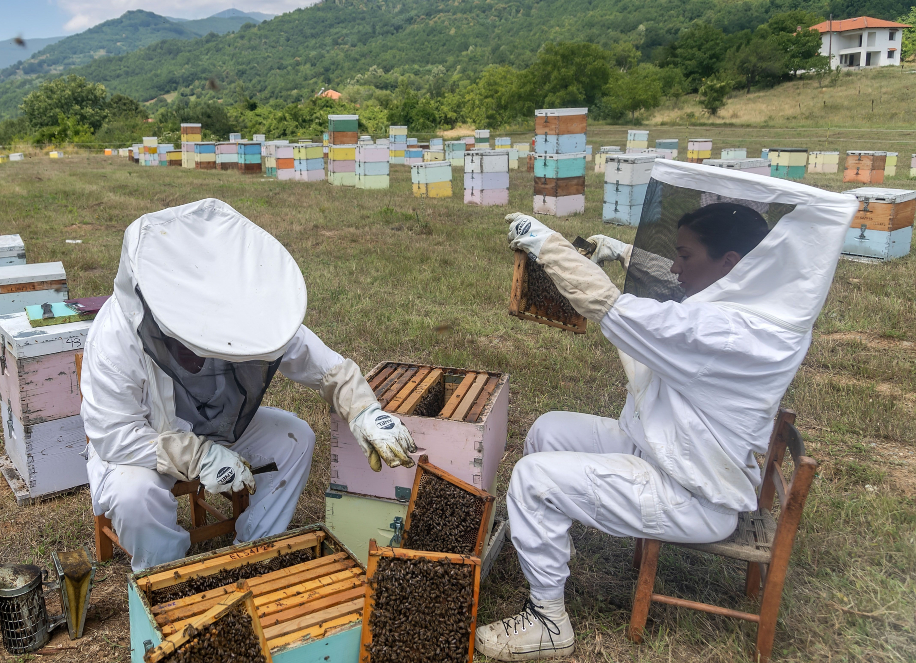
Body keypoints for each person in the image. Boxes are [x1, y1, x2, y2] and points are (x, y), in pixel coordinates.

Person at [476, 190, 852, 661]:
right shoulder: (757, 304)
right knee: (547, 430)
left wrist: (548, 245)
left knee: (533, 477)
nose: (675, 268)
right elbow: (680, 285)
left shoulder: (726, 333)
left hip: (692, 494)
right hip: (674, 451)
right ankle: (543, 543)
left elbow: (613, 308)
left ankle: (548, 622)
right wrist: (623, 250)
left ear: (731, 263)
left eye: (684, 256)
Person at [80, 198, 416, 571]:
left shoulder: (240, 310)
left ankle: (253, 555)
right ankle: (162, 576)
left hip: (216, 423)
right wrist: (198, 456)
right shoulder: (113, 339)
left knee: (295, 439)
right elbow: (115, 435)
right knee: (135, 497)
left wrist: (364, 410)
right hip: (145, 444)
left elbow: (322, 364)